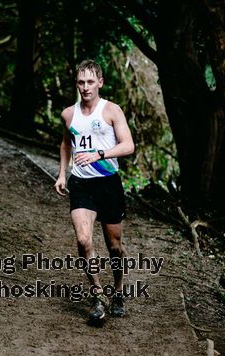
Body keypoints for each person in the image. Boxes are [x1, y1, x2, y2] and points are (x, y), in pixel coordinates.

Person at [54, 59, 135, 324]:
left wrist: (99, 153)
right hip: (81, 184)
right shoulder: (69, 114)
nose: (85, 87)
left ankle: (119, 290)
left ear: (100, 82)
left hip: (108, 183)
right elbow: (66, 143)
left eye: (90, 82)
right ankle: (98, 296)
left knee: (114, 247)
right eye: (81, 82)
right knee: (83, 240)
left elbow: (128, 146)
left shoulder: (111, 111)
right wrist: (62, 173)